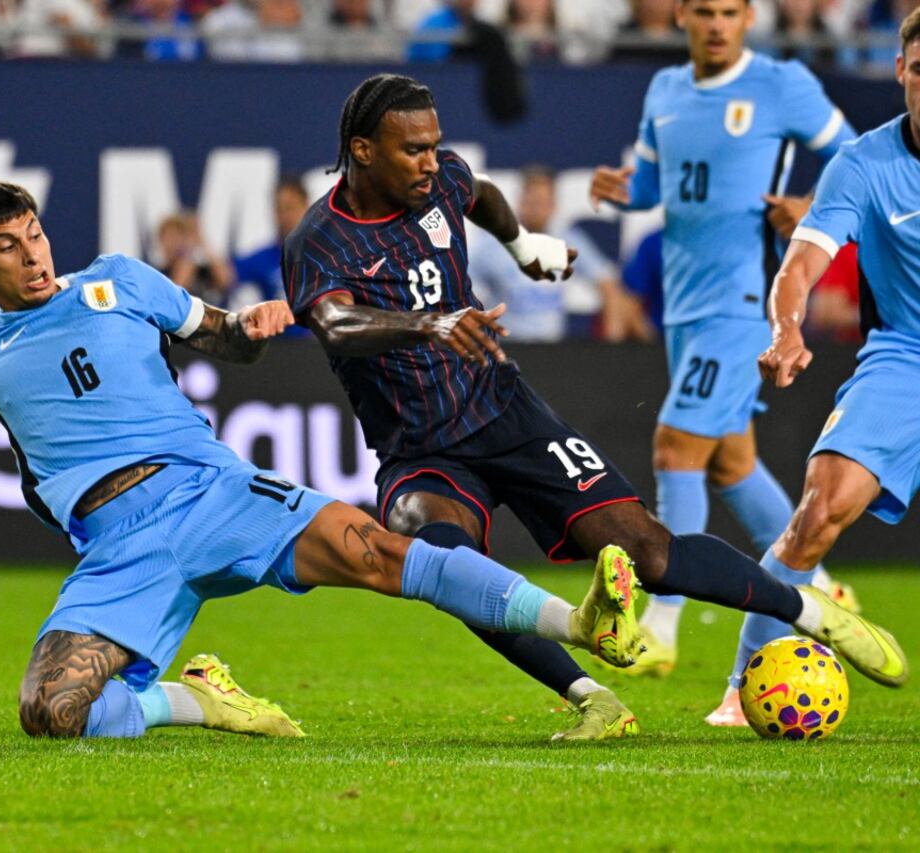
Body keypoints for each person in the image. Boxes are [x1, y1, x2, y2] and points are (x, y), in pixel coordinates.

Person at [0, 180, 656, 743]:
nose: (33, 254)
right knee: (50, 711)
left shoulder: (118, 282)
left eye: (36, 233)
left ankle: (584, 621)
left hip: (214, 492)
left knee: (385, 550)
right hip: (118, 545)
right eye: (7, 246)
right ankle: (198, 697)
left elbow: (222, 334)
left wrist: (251, 323)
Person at [280, 73, 905, 730]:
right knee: (447, 566)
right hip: (418, 448)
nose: (431, 163)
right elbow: (334, 323)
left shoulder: (442, 181)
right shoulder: (320, 239)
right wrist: (427, 323)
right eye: (414, 151)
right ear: (363, 149)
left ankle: (811, 611)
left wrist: (524, 245)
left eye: (435, 147)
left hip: (505, 410)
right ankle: (592, 698)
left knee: (651, 553)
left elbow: (481, 194)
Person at [588, 0, 859, 725]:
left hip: (745, 300)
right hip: (685, 302)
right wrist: (622, 189)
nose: (716, 23)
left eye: (730, 12)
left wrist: (808, 204)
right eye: (703, 10)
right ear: (681, 16)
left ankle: (664, 627)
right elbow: (653, 186)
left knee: (675, 445)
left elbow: (857, 155)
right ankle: (826, 587)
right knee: (728, 462)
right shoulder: (666, 92)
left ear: (747, 19)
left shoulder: (781, 84)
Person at [754, 7, 920, 694]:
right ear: (901, 71)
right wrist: (786, 329)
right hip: (907, 357)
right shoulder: (864, 164)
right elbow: (799, 267)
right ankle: (744, 683)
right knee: (819, 510)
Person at [467, 165, 651, 343]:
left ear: (553, 206)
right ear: (520, 202)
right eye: (532, 201)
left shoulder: (567, 241)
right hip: (509, 348)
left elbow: (608, 285)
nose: (536, 209)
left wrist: (612, 347)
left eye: (543, 202)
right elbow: (463, 290)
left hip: (553, 351)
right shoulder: (491, 245)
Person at [229, 176, 307, 308]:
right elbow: (227, 277)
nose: (285, 216)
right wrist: (201, 240)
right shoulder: (266, 257)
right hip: (281, 328)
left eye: (290, 207)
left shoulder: (327, 254)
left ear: (305, 205)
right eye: (279, 209)